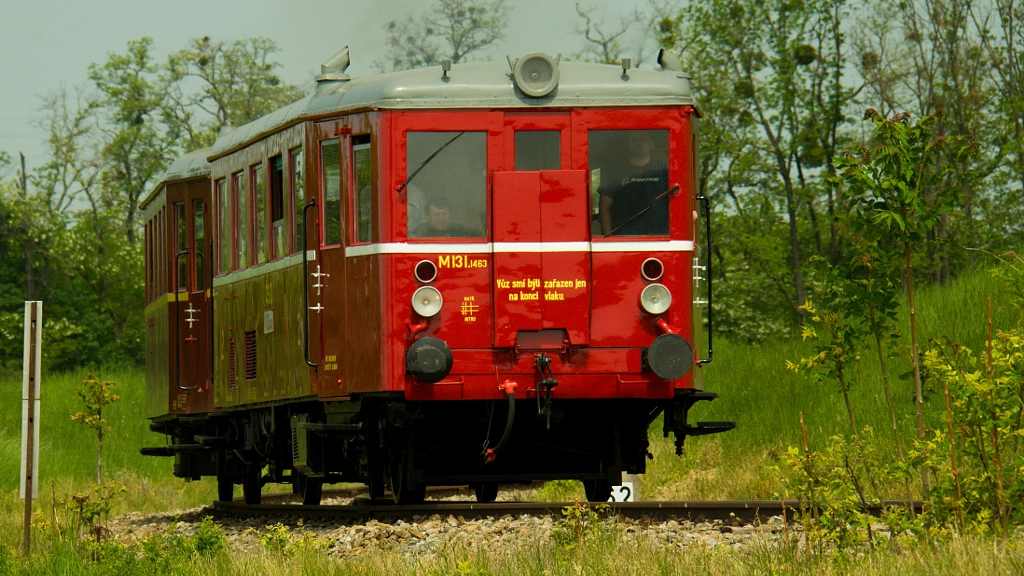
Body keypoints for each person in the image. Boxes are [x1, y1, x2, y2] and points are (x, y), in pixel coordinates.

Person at [598, 131, 669, 236]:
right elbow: (605, 206)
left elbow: (677, 199)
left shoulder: (664, 169)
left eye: (643, 139)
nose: (638, 142)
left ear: (651, 144)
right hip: (623, 237)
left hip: (660, 237)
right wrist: (608, 238)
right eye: (634, 139)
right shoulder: (615, 172)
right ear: (629, 144)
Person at [412, 196, 478, 238]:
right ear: (427, 216)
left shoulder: (460, 230)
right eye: (436, 215)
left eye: (445, 214)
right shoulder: (420, 232)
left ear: (450, 214)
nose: (441, 219)